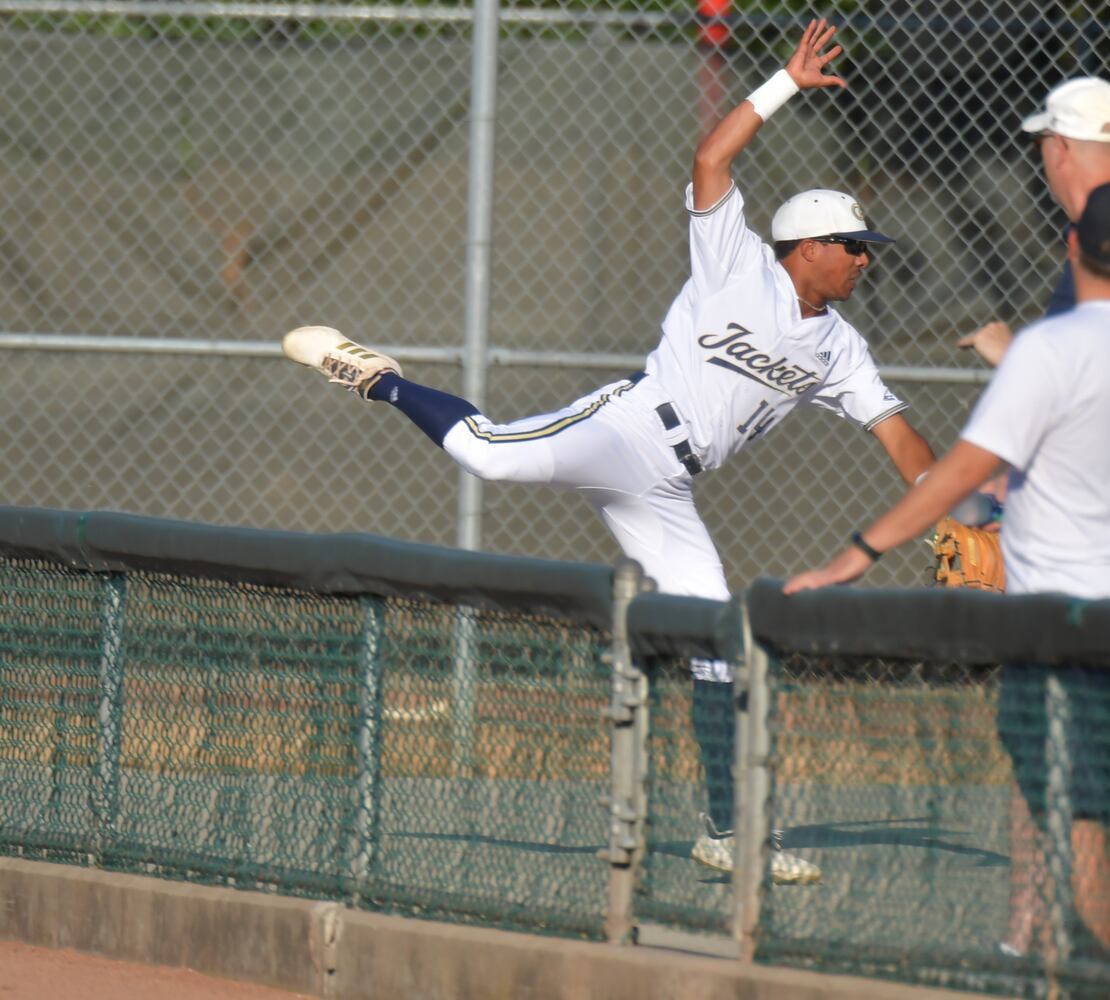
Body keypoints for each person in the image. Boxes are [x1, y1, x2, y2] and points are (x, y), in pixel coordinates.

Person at [280, 19, 938, 887]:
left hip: (668, 489)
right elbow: (710, 165)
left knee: (715, 638)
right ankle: (381, 378)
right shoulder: (735, 262)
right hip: (627, 428)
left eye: (867, 250)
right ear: (808, 246)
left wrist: (947, 505)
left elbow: (894, 431)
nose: (864, 260)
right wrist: (780, 83)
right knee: (487, 454)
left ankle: (724, 832)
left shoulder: (839, 347)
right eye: (854, 246)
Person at [787, 178, 1110, 971]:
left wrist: (856, 553)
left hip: (1053, 622)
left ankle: (1087, 979)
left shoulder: (1050, 348)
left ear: (1072, 248)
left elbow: (960, 475)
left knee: (1080, 813)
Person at [956, 77, 1110, 368]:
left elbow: (1091, 382)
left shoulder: (1104, 242)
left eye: (1038, 143)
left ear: (1059, 148)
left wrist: (1011, 358)